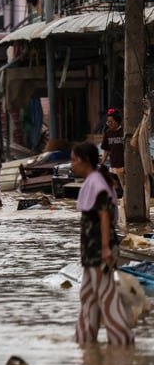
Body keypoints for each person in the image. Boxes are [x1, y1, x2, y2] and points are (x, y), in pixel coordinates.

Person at [71, 141, 133, 345]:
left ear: (85, 161)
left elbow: (105, 216)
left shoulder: (97, 184)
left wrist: (106, 248)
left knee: (106, 296)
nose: (72, 165)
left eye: (74, 160)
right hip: (91, 252)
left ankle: (123, 341)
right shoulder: (93, 181)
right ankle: (85, 340)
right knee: (87, 296)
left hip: (100, 251)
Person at [101, 108, 125, 186]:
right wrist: (103, 163)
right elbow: (106, 149)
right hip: (113, 166)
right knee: (113, 187)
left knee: (125, 186)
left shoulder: (124, 132)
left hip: (124, 166)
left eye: (111, 122)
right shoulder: (108, 133)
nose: (109, 124)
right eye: (108, 122)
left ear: (117, 122)